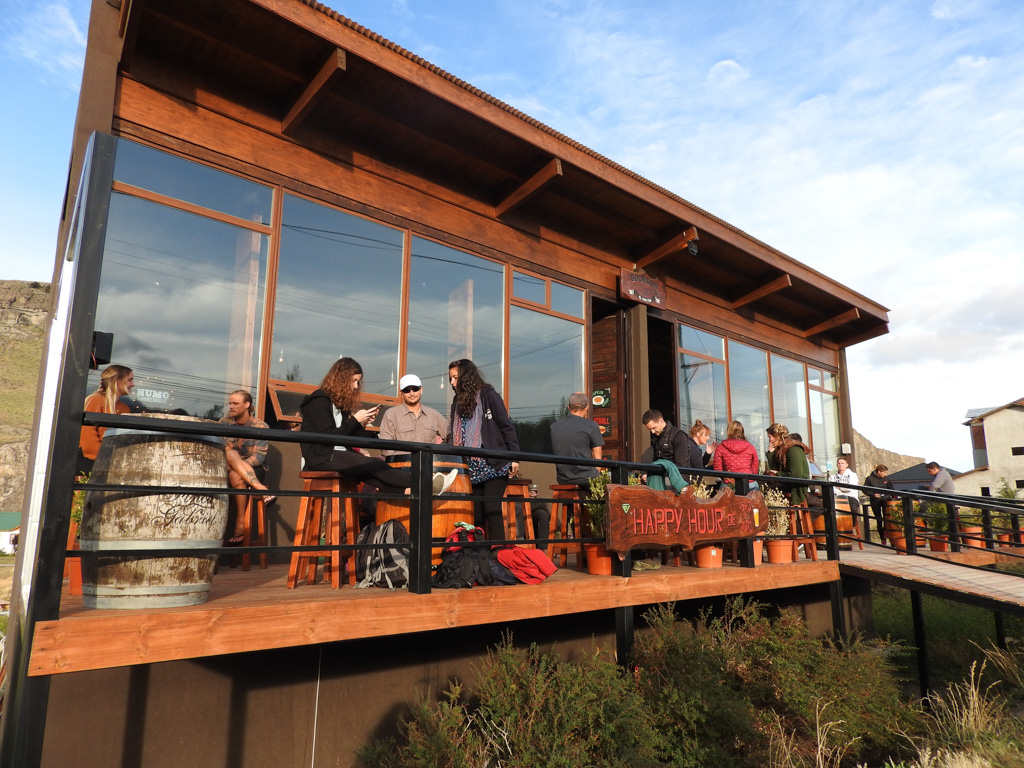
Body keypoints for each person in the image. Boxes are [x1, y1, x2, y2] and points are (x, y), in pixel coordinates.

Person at [300, 358, 456, 497]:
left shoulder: (338, 405)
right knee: (373, 464)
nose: (355, 386)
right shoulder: (318, 401)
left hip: (334, 454)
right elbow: (329, 437)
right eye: (353, 381)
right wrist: (355, 420)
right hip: (321, 456)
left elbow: (349, 436)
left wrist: (361, 424)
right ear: (342, 378)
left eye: (358, 382)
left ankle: (408, 491)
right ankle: (427, 482)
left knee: (370, 472)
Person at [446, 359, 519, 540]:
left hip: (493, 463)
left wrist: (515, 457)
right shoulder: (457, 401)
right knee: (476, 514)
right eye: (450, 378)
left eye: (455, 377)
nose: (452, 382)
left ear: (466, 377)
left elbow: (506, 426)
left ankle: (499, 554)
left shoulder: (488, 395)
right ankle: (480, 557)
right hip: (470, 466)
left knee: (491, 508)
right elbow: (453, 433)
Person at [219, 390, 273, 546]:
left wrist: (240, 468)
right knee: (230, 454)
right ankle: (261, 490)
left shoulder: (261, 426)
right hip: (228, 467)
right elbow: (224, 451)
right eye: (230, 403)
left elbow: (259, 457)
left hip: (255, 470)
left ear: (247, 404)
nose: (231, 407)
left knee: (236, 476)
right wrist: (236, 463)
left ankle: (240, 521)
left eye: (235, 403)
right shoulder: (224, 422)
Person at [78, 364, 134, 475]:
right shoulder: (95, 400)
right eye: (129, 380)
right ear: (116, 380)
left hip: (113, 465)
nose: (133, 384)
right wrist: (104, 457)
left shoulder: (124, 408)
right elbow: (86, 434)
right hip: (93, 464)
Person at [378, 373, 448, 458]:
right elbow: (386, 446)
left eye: (415, 389)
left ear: (421, 390)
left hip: (428, 466)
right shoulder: (391, 414)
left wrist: (442, 456)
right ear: (401, 393)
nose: (411, 393)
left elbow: (451, 436)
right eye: (407, 390)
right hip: (401, 467)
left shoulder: (433, 415)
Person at [550, 392, 604, 486]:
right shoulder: (591, 425)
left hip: (563, 478)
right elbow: (598, 459)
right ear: (587, 407)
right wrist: (596, 474)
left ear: (568, 407)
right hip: (587, 477)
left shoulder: (554, 426)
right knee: (614, 488)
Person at [765, 423, 810, 506]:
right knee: (764, 484)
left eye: (770, 437)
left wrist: (778, 474)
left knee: (765, 487)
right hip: (787, 483)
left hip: (796, 487)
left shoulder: (793, 449)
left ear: (776, 436)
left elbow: (796, 474)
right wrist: (771, 453)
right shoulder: (781, 450)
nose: (769, 440)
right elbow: (776, 468)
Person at [712, 420, 760, 489]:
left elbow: (718, 469)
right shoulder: (750, 447)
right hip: (749, 483)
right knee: (755, 497)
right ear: (742, 431)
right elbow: (755, 467)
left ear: (728, 431)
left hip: (729, 484)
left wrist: (726, 478)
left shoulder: (721, 447)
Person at [863, 464, 894, 539]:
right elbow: (864, 489)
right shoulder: (870, 479)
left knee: (886, 518)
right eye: (884, 472)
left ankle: (888, 536)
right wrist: (873, 494)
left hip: (885, 499)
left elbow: (892, 490)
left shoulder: (887, 480)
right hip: (875, 500)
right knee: (879, 519)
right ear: (879, 472)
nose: (885, 474)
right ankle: (882, 538)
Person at [829, 456, 861, 523]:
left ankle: (851, 526)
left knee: (853, 508)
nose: (840, 465)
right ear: (837, 465)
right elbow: (831, 488)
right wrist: (841, 492)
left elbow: (850, 487)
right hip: (837, 497)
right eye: (839, 463)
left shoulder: (852, 475)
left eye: (842, 463)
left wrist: (839, 487)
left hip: (851, 497)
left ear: (846, 465)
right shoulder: (832, 476)